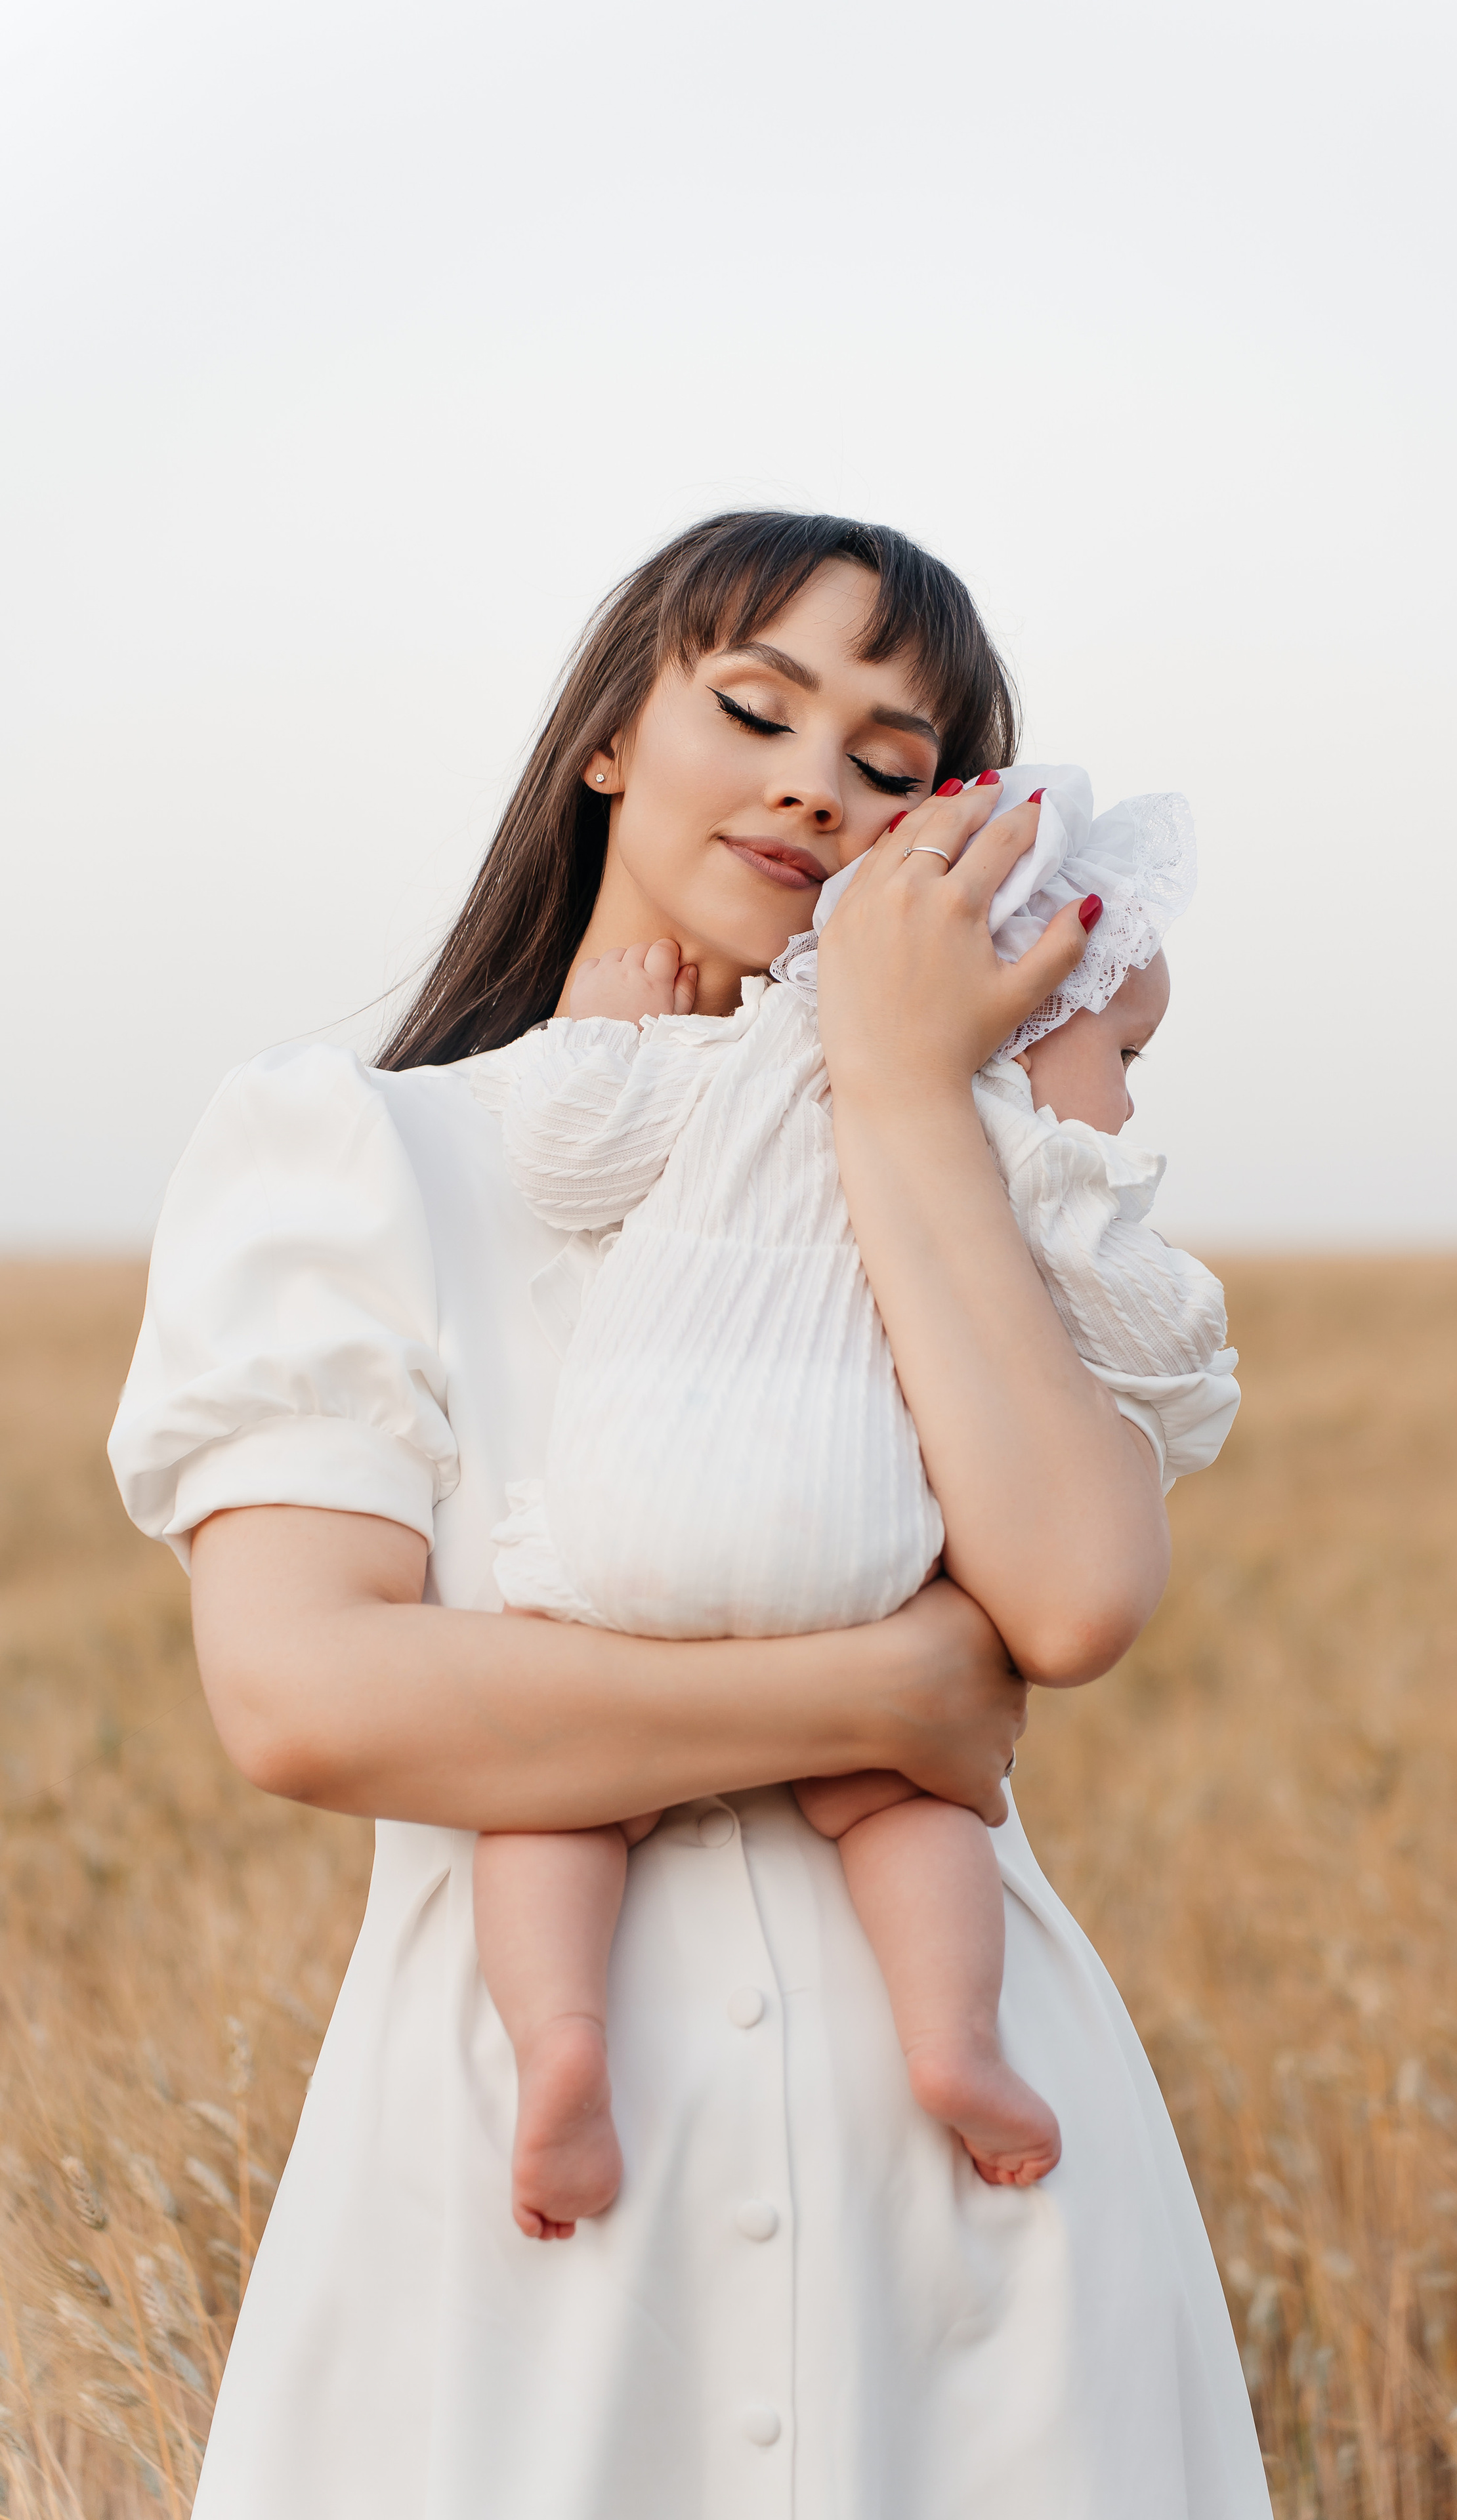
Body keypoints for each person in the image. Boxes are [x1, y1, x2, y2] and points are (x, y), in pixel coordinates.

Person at [110, 511, 1272, 2518]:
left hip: (983, 2224)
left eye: (895, 767)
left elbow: (1075, 1601)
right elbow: (307, 1700)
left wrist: (903, 1089)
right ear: (612, 740)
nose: (816, 782)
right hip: (529, 2209)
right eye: (754, 708)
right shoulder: (358, 1148)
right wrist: (887, 1691)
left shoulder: (955, 1178)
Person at [471, 766, 1238, 2238]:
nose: (1127, 1095)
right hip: (852, 1543)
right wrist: (1122, 1226)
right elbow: (1141, 1333)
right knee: (903, 1793)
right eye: (1124, 1050)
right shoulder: (1009, 1155)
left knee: (556, 1804)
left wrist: (605, 1025)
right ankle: (952, 2041)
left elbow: (566, 1160)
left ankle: (558, 2041)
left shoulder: (735, 1055)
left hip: (624, 1512)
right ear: (1025, 1010)